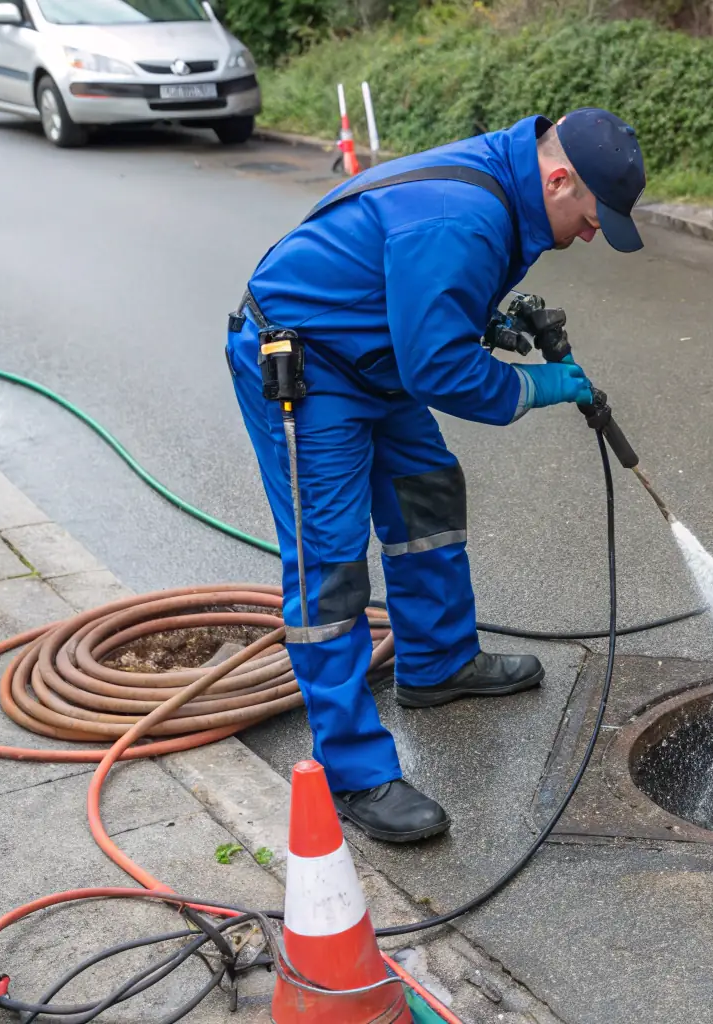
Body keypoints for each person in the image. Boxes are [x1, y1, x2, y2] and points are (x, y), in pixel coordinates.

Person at [225, 109, 646, 843]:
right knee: (328, 567)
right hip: (310, 368)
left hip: (371, 358)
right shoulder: (466, 217)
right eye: (589, 215)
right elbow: (439, 367)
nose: (590, 233)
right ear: (557, 177)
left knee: (426, 495)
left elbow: (430, 300)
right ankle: (354, 773)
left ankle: (437, 663)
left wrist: (486, 325)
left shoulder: (504, 186)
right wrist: (537, 388)